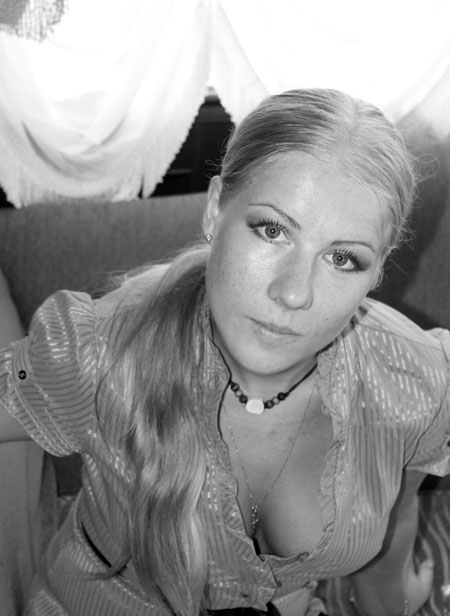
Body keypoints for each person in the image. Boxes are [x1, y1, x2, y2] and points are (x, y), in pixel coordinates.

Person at [0, 88, 449, 616]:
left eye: (343, 258)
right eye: (273, 230)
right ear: (215, 210)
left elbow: (390, 534)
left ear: (376, 273)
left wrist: (394, 604)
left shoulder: (413, 384)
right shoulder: (99, 353)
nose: (293, 293)